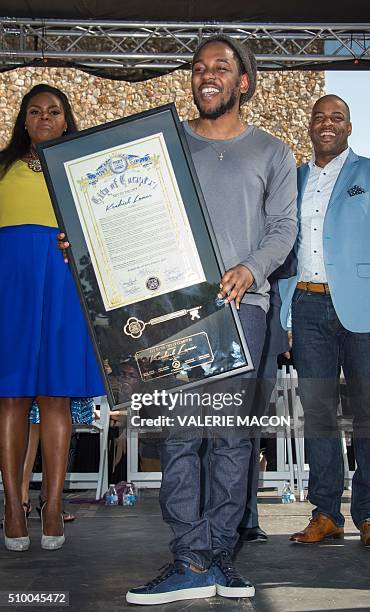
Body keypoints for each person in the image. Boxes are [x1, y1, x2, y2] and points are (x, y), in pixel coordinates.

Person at [124, 35, 297, 604]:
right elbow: (128, 219)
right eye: (199, 67)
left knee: (229, 439)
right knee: (178, 438)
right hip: (172, 317)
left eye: (221, 67)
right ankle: (189, 557)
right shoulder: (163, 148)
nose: (207, 74)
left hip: (243, 309)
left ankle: (220, 554)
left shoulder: (272, 152)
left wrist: (250, 269)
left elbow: (283, 230)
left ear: (242, 82)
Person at [0, 84, 105, 552]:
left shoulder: (80, 171)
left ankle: (53, 502)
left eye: (54, 112)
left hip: (63, 283)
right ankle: (11, 505)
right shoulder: (2, 169)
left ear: (67, 122)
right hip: (10, 286)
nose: (44, 117)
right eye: (35, 111)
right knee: (11, 396)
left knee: (56, 396)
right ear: (24, 120)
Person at [280, 95, 370, 546]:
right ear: (310, 125)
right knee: (318, 413)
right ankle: (326, 512)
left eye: (337, 118)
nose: (327, 124)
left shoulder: (368, 173)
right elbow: (281, 245)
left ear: (349, 128)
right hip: (308, 307)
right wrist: (286, 312)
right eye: (319, 117)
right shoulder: (292, 179)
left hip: (362, 308)